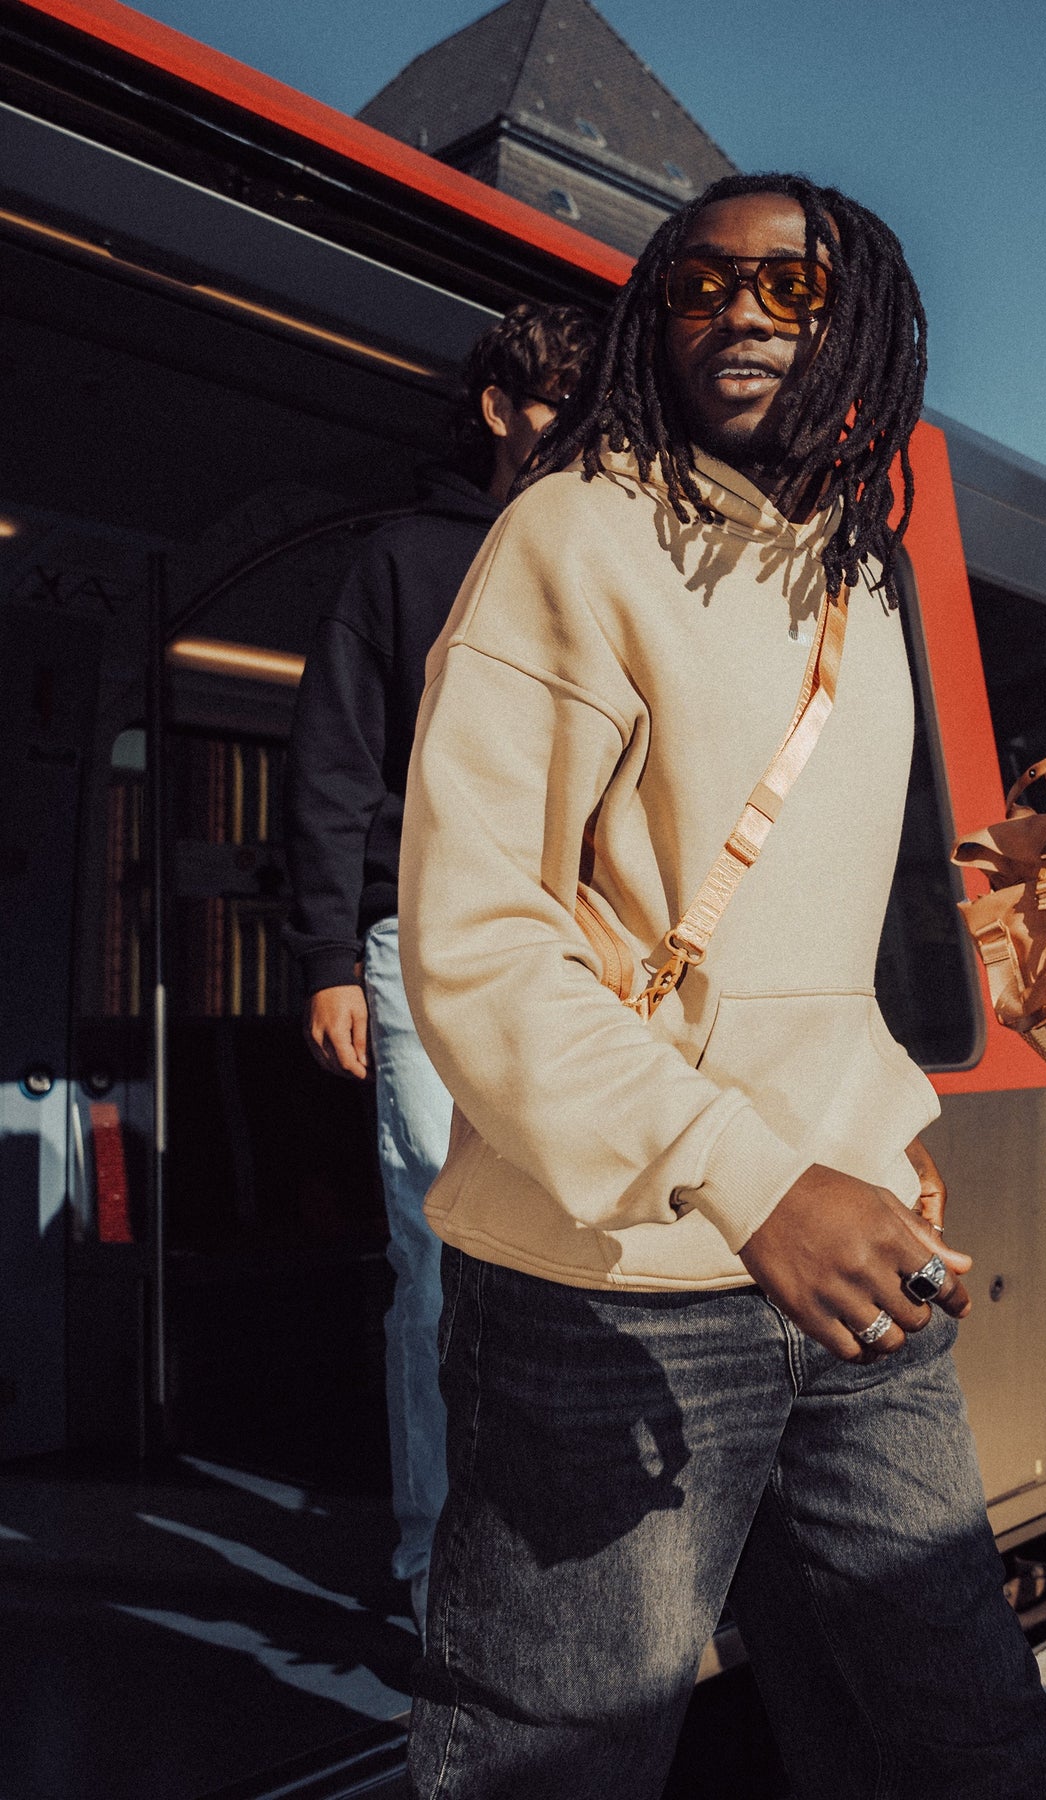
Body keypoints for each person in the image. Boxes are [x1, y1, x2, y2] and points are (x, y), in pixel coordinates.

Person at [398, 173, 1046, 1799]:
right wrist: (756, 1172)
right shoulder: (571, 536)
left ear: (864, 327)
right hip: (607, 1286)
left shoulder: (851, 579)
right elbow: (477, 935)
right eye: (701, 288)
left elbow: (836, 938)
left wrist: (880, 1120)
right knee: (550, 1768)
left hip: (850, 1274)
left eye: (792, 289)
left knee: (963, 1749)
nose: (742, 318)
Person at [283, 302, 601, 1630]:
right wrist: (327, 957)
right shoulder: (402, 560)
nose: (582, 444)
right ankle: (437, 1575)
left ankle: (550, 1551)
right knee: (439, 1255)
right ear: (497, 409)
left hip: (578, 955)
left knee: (571, 1245)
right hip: (415, 948)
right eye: (557, 415)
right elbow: (335, 763)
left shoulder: (599, 564)